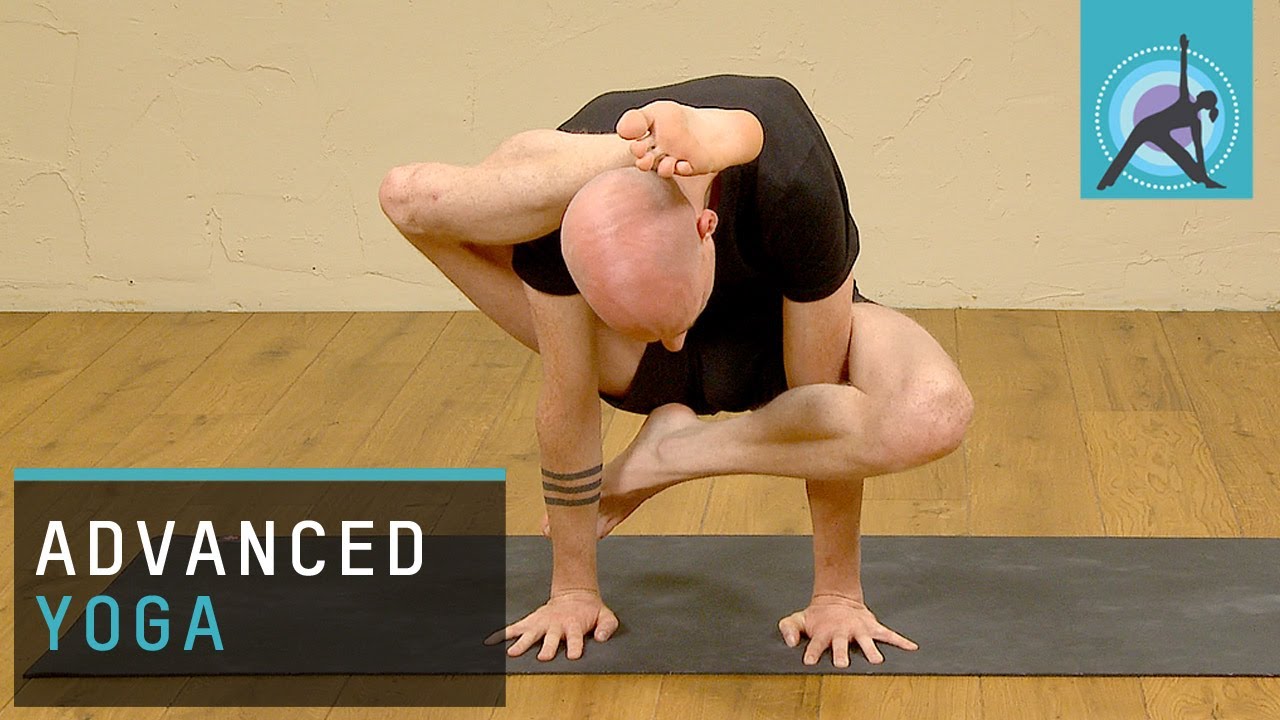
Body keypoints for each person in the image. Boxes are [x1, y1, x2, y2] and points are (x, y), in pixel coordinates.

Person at [378, 74, 974, 668]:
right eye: (659, 328)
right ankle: (623, 159)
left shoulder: (795, 182)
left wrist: (836, 594)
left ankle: (675, 450)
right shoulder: (551, 219)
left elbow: (817, 398)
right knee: (413, 198)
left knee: (933, 412)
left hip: (782, 341)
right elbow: (568, 397)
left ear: (706, 227)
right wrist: (572, 590)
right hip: (638, 369)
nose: (676, 340)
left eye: (674, 322)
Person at [1097, 34, 1226, 190]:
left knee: (1183, 156)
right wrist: (1183, 50)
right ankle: (1105, 182)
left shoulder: (1193, 118)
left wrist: (1204, 175)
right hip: (1146, 127)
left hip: (1160, 134)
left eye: (1203, 94)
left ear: (1202, 100)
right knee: (1125, 153)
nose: (1200, 94)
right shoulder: (1188, 108)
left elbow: (1199, 150)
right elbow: (1183, 72)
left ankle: (1203, 179)